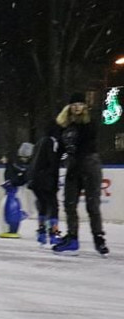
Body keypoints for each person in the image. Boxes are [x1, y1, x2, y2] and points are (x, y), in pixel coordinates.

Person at [52, 93, 108, 255]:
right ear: (69, 106)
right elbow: (62, 147)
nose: (77, 107)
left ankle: (99, 238)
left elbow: (86, 144)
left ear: (84, 107)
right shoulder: (65, 125)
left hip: (89, 165)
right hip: (73, 166)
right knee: (69, 204)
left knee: (93, 205)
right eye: (74, 104)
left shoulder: (89, 123)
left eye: (80, 104)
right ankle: (72, 237)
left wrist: (74, 150)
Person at [29, 124, 62, 245]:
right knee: (53, 205)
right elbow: (52, 162)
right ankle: (54, 233)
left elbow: (33, 160)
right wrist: (53, 179)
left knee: (42, 205)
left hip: (35, 179)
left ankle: (41, 232)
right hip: (46, 180)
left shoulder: (39, 142)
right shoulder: (52, 142)